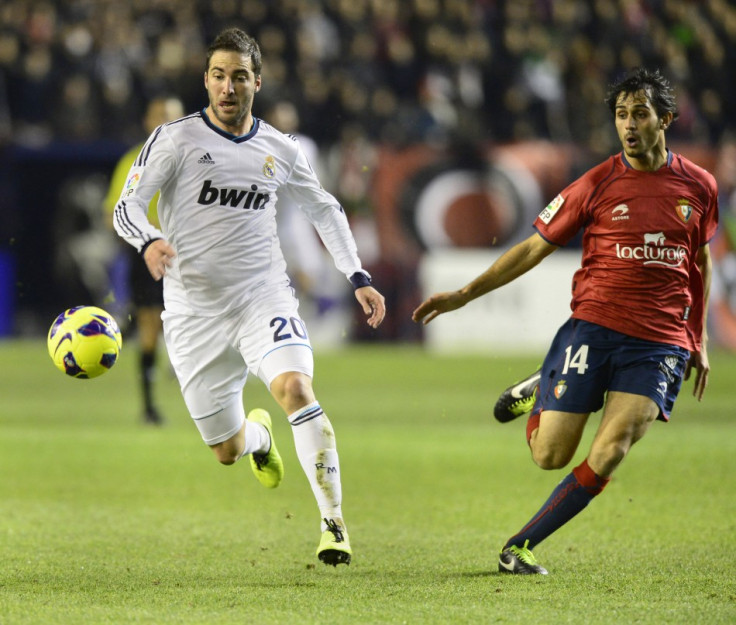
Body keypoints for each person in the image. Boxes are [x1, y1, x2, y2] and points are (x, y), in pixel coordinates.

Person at [412, 68, 717, 575]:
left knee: (613, 446)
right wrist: (466, 294)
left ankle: (521, 545)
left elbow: (699, 262)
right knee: (550, 456)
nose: (628, 124)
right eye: (621, 115)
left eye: (639, 113)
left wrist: (698, 336)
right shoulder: (596, 183)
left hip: (660, 343)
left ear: (665, 118)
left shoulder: (699, 187)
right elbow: (534, 247)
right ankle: (542, 385)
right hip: (594, 328)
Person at [113, 28, 385, 566]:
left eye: (239, 76)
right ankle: (258, 437)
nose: (228, 87)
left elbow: (325, 209)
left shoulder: (278, 148)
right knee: (226, 451)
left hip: (263, 297)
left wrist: (357, 274)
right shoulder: (175, 139)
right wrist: (149, 239)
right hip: (193, 312)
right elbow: (127, 205)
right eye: (218, 75)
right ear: (206, 81)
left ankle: (334, 525)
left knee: (296, 390)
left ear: (256, 82)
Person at [104, 96, 185, 425]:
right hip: (148, 252)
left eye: (171, 116)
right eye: (159, 115)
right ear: (147, 121)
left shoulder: (196, 157)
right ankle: (149, 407)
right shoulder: (133, 161)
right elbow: (115, 210)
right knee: (151, 324)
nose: (165, 122)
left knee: (194, 324)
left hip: (189, 251)